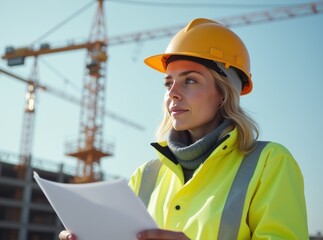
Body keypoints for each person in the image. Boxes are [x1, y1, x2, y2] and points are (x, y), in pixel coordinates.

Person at [59, 18, 308, 240]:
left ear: (224, 93)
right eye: (168, 83)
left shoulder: (269, 163)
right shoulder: (145, 176)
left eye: (190, 80)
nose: (173, 94)